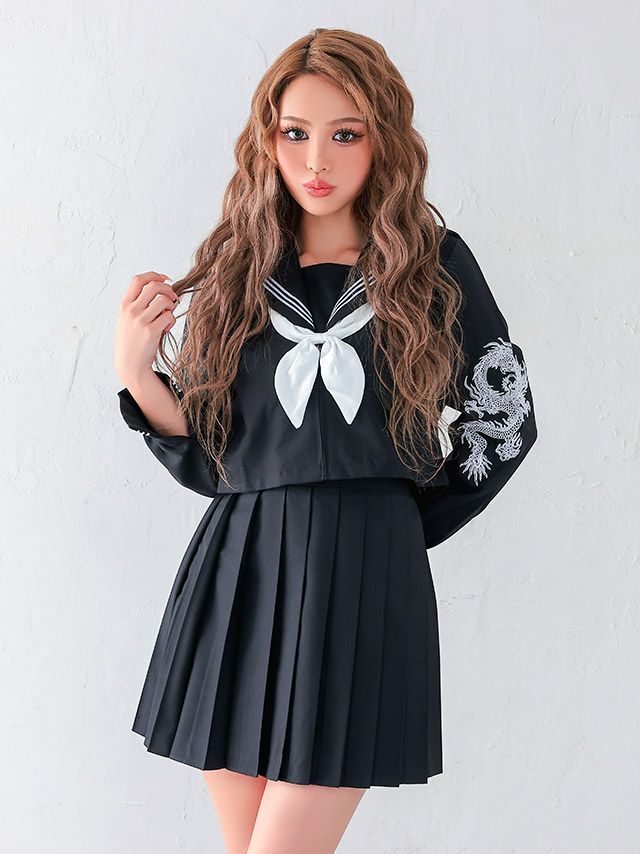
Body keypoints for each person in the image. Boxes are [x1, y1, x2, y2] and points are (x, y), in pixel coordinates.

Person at [114, 28, 538, 854]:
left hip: (364, 569)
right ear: (266, 140)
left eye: (346, 133)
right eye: (295, 133)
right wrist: (138, 373)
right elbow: (217, 458)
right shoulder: (241, 267)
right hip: (239, 570)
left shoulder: (433, 265)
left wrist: (398, 526)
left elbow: (506, 418)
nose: (317, 160)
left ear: (384, 138)